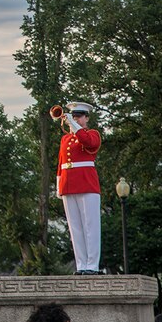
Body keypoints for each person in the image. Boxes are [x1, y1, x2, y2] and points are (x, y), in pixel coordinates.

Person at [55, 101, 102, 275]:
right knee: (75, 228)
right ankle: (81, 264)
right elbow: (61, 162)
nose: (76, 118)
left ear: (86, 118)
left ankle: (92, 265)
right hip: (68, 183)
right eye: (74, 116)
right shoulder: (65, 138)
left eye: (79, 116)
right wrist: (59, 184)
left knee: (90, 226)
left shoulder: (92, 134)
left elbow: (87, 141)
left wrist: (74, 125)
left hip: (86, 182)